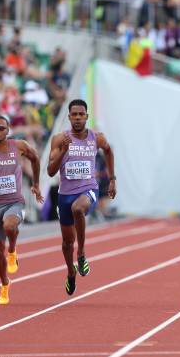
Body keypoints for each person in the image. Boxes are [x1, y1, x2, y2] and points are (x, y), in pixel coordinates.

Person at [47, 99, 116, 296]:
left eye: (81, 114)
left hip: (88, 189)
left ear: (86, 116)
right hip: (64, 195)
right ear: (69, 117)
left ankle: (82, 253)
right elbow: (51, 171)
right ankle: (70, 271)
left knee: (79, 209)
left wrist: (112, 179)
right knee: (67, 242)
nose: (77, 118)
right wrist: (63, 151)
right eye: (74, 115)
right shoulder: (60, 139)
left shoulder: (97, 138)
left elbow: (109, 151)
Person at [0, 115, 44, 305]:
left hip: (14, 201)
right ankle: (5, 283)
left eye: (0, 128)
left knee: (10, 225)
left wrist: (36, 184)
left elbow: (35, 158)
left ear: (8, 131)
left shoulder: (18, 146)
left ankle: (12, 251)